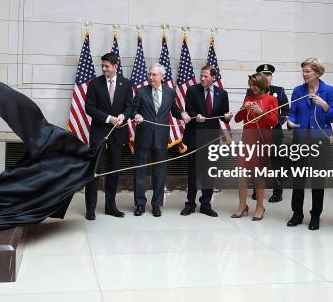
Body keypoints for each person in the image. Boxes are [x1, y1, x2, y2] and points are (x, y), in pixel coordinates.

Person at [286, 58, 333, 231]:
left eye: (307, 71)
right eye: (303, 71)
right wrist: (290, 122)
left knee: (317, 180)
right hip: (300, 139)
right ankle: (297, 214)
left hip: (320, 140)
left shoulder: (328, 90)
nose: (304, 74)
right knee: (298, 179)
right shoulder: (298, 91)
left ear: (318, 73)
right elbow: (292, 113)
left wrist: (324, 106)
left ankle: (315, 215)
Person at [133, 64, 190, 217]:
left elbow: (175, 109)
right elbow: (133, 109)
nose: (151, 77)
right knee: (140, 173)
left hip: (161, 138)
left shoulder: (170, 93)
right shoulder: (141, 91)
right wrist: (136, 116)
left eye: (154, 75)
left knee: (160, 173)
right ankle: (140, 204)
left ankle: (156, 205)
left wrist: (183, 114)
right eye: (150, 74)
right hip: (143, 138)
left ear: (161, 77)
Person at [83, 52, 133, 220]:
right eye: (102, 66)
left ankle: (110, 206)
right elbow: (89, 107)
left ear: (115, 66)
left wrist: (123, 116)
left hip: (118, 134)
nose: (103, 69)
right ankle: (90, 208)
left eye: (107, 66)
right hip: (98, 132)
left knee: (114, 171)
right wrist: (108, 118)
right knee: (94, 171)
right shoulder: (94, 84)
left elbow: (130, 107)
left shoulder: (126, 84)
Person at [180, 65, 233, 217]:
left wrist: (227, 117)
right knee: (193, 173)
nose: (202, 78)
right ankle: (190, 204)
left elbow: (223, 115)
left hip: (212, 138)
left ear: (213, 78)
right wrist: (195, 116)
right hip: (194, 136)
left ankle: (206, 205)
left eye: (206, 76)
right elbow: (188, 110)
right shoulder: (192, 90)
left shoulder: (222, 93)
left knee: (209, 173)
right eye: (201, 76)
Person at [231, 73, 278, 221]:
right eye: (251, 85)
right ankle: (242, 205)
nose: (253, 88)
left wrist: (261, 112)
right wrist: (244, 109)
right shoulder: (248, 98)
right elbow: (238, 119)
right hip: (247, 140)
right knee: (241, 174)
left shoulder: (271, 99)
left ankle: (259, 207)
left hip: (262, 141)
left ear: (262, 84)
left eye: (255, 85)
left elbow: (274, 122)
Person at [250, 64, 289, 203]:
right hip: (258, 133)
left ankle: (278, 192)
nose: (266, 77)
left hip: (274, 133)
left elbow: (285, 111)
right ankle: (257, 190)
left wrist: (275, 121)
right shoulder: (252, 91)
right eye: (263, 75)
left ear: (271, 76)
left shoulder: (279, 91)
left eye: (268, 75)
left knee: (276, 163)